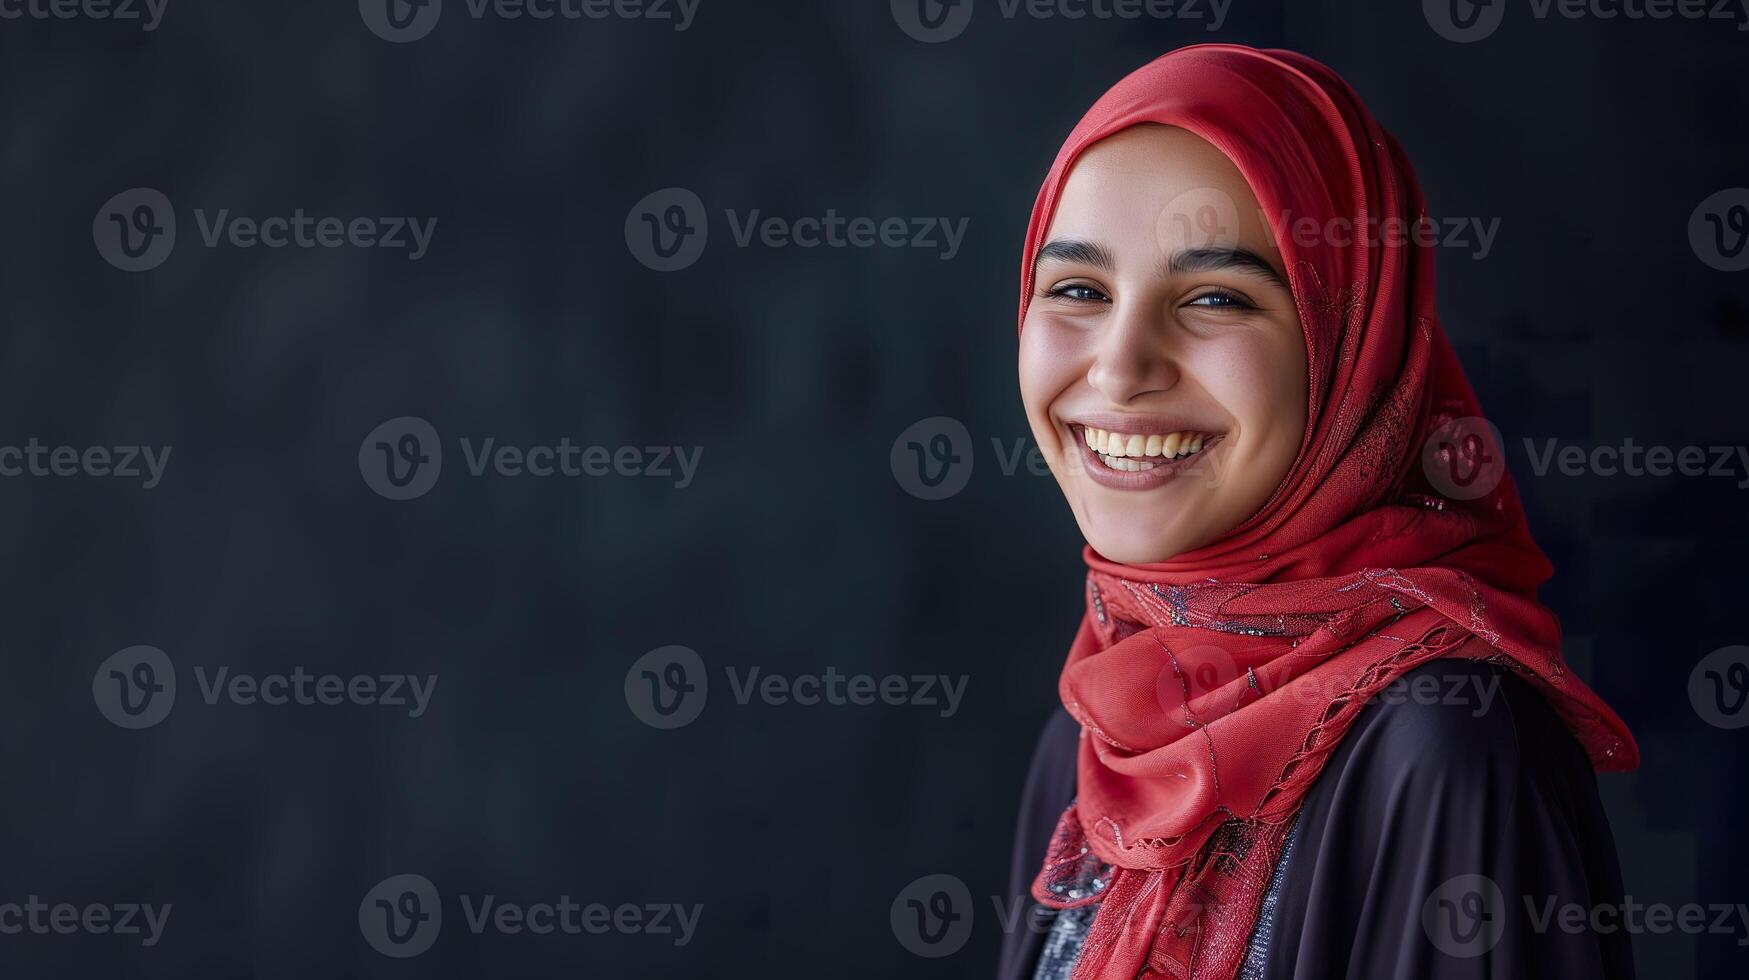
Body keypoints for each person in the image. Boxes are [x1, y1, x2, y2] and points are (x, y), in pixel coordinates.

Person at [1000, 44, 1639, 980]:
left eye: (1215, 297)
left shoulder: (1449, 747)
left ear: (1351, 351)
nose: (1120, 368)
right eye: (1078, 291)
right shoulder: (1097, 731)